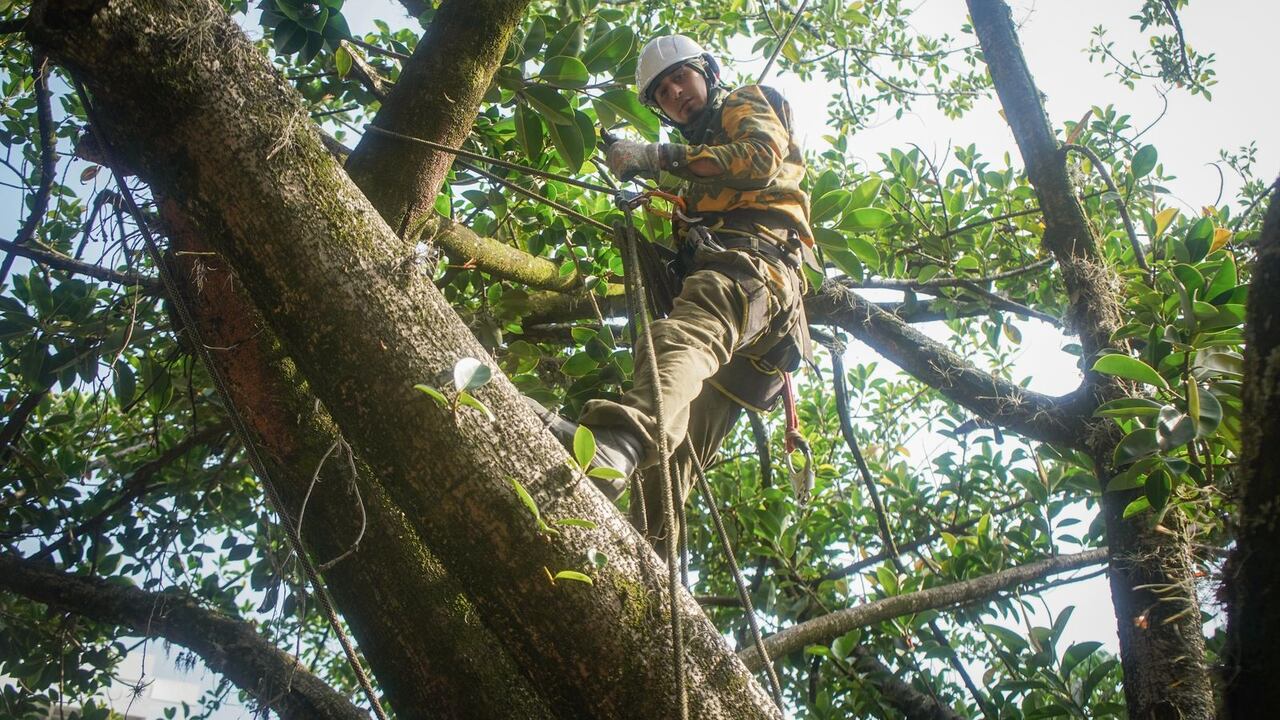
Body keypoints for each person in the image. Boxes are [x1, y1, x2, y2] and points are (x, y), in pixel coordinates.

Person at [534, 34, 814, 540]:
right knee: (671, 464)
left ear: (707, 71)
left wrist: (657, 156)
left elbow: (759, 158)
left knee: (679, 340)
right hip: (747, 349)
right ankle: (647, 564)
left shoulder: (745, 101)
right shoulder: (694, 177)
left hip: (753, 267)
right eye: (662, 91)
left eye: (681, 77)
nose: (676, 93)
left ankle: (616, 439)